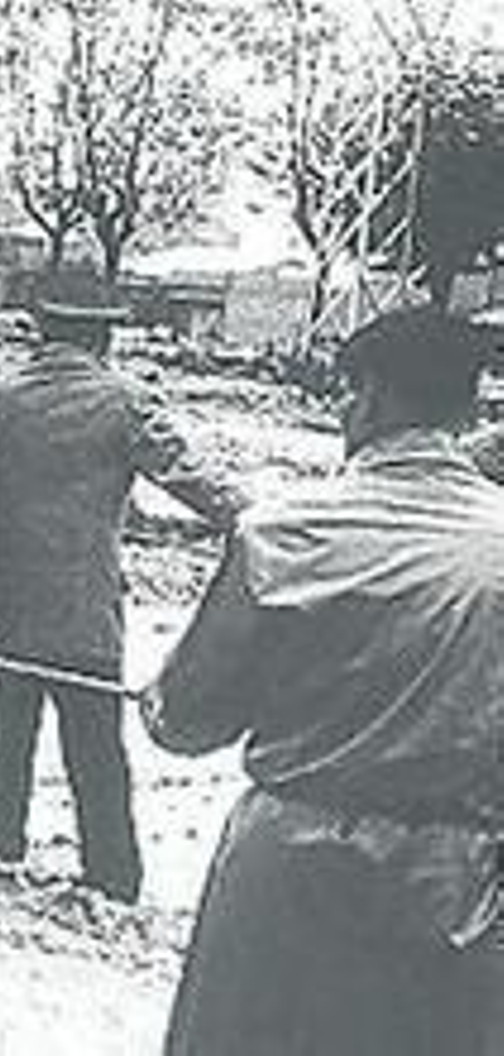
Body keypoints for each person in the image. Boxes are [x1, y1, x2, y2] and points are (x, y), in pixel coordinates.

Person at [143, 306, 504, 1055]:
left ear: (366, 398)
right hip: (453, 877)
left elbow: (184, 721)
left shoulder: (283, 530)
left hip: (285, 867)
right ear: (468, 410)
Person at [0, 272, 243, 904]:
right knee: (95, 744)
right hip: (84, 602)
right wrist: (257, 518)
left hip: (7, 596)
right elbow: (190, 479)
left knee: (8, 730)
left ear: (40, 329)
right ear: (103, 335)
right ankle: (112, 876)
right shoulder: (124, 402)